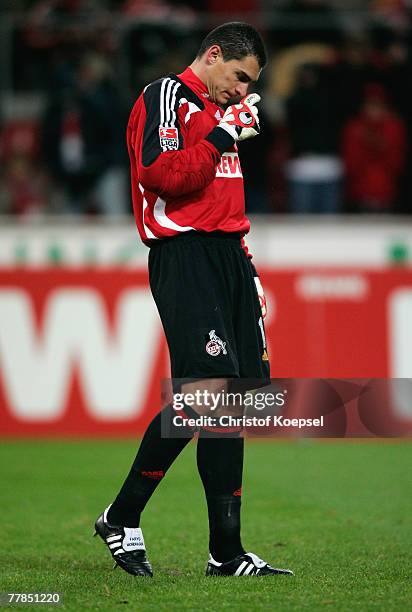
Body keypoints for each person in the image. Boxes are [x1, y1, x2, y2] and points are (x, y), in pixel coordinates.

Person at [94, 22, 293, 578]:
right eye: (238, 77)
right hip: (185, 257)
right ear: (212, 55)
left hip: (229, 256)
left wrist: (246, 264)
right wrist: (223, 136)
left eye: (249, 84)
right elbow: (161, 175)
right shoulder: (166, 97)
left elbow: (221, 196)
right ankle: (123, 515)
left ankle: (225, 554)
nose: (241, 91)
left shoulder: (218, 113)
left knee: (233, 401)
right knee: (207, 392)